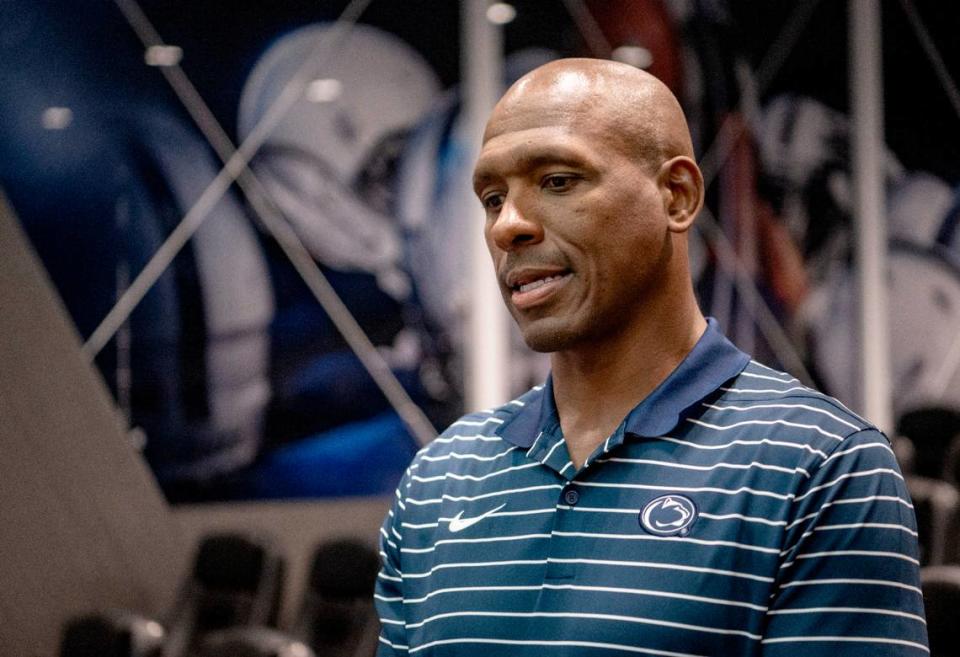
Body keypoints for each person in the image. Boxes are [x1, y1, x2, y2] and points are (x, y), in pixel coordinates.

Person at [374, 58, 927, 656]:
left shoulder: (822, 468)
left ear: (677, 195)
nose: (508, 225)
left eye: (558, 181)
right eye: (491, 197)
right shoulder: (439, 479)